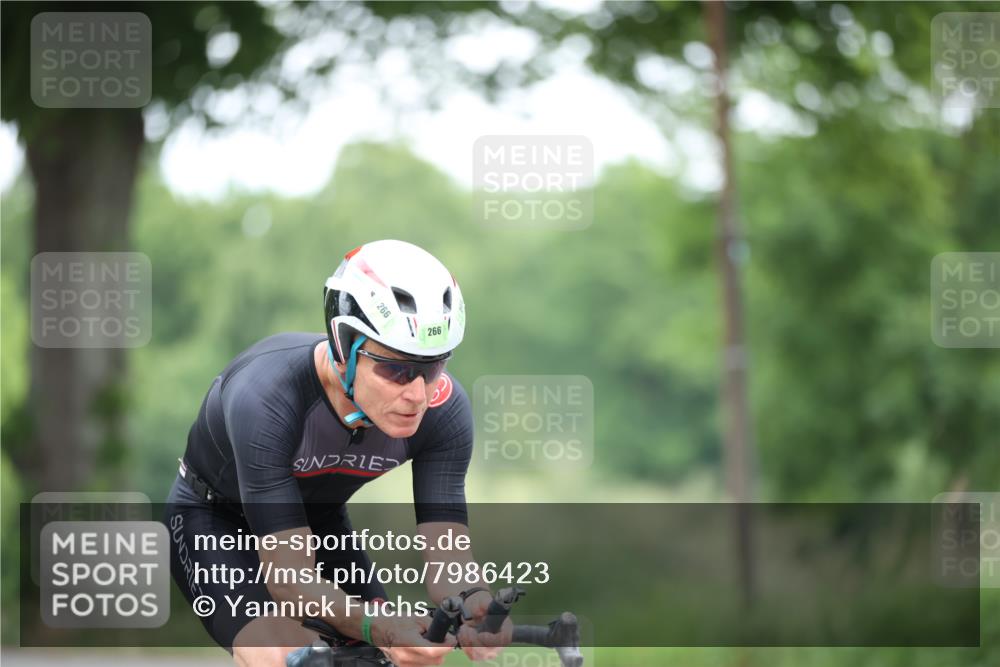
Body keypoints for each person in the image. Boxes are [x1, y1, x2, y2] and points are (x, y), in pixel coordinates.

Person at [164, 240, 511, 667]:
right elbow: (289, 579)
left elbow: (448, 556)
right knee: (288, 654)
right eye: (396, 370)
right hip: (212, 520)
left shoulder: (445, 410)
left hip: (318, 522)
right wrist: (377, 626)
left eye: (432, 367)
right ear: (344, 347)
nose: (417, 394)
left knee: (401, 655)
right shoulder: (267, 395)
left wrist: (476, 603)